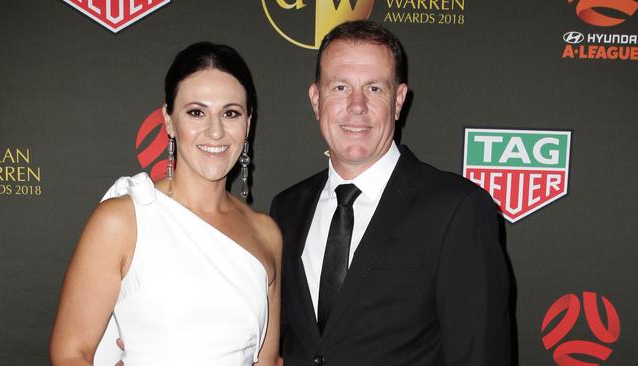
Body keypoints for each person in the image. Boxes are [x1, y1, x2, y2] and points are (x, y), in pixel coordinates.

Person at [270, 20, 511, 365]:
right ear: (316, 99)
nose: (356, 106)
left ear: (398, 101)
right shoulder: (287, 208)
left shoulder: (456, 208)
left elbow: (481, 355)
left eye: (374, 89)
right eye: (339, 87)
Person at [50, 42, 282, 366]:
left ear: (248, 123)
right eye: (196, 112)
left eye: (230, 113)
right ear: (169, 121)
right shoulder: (123, 220)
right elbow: (70, 353)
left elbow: (266, 362)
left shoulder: (266, 234)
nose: (215, 131)